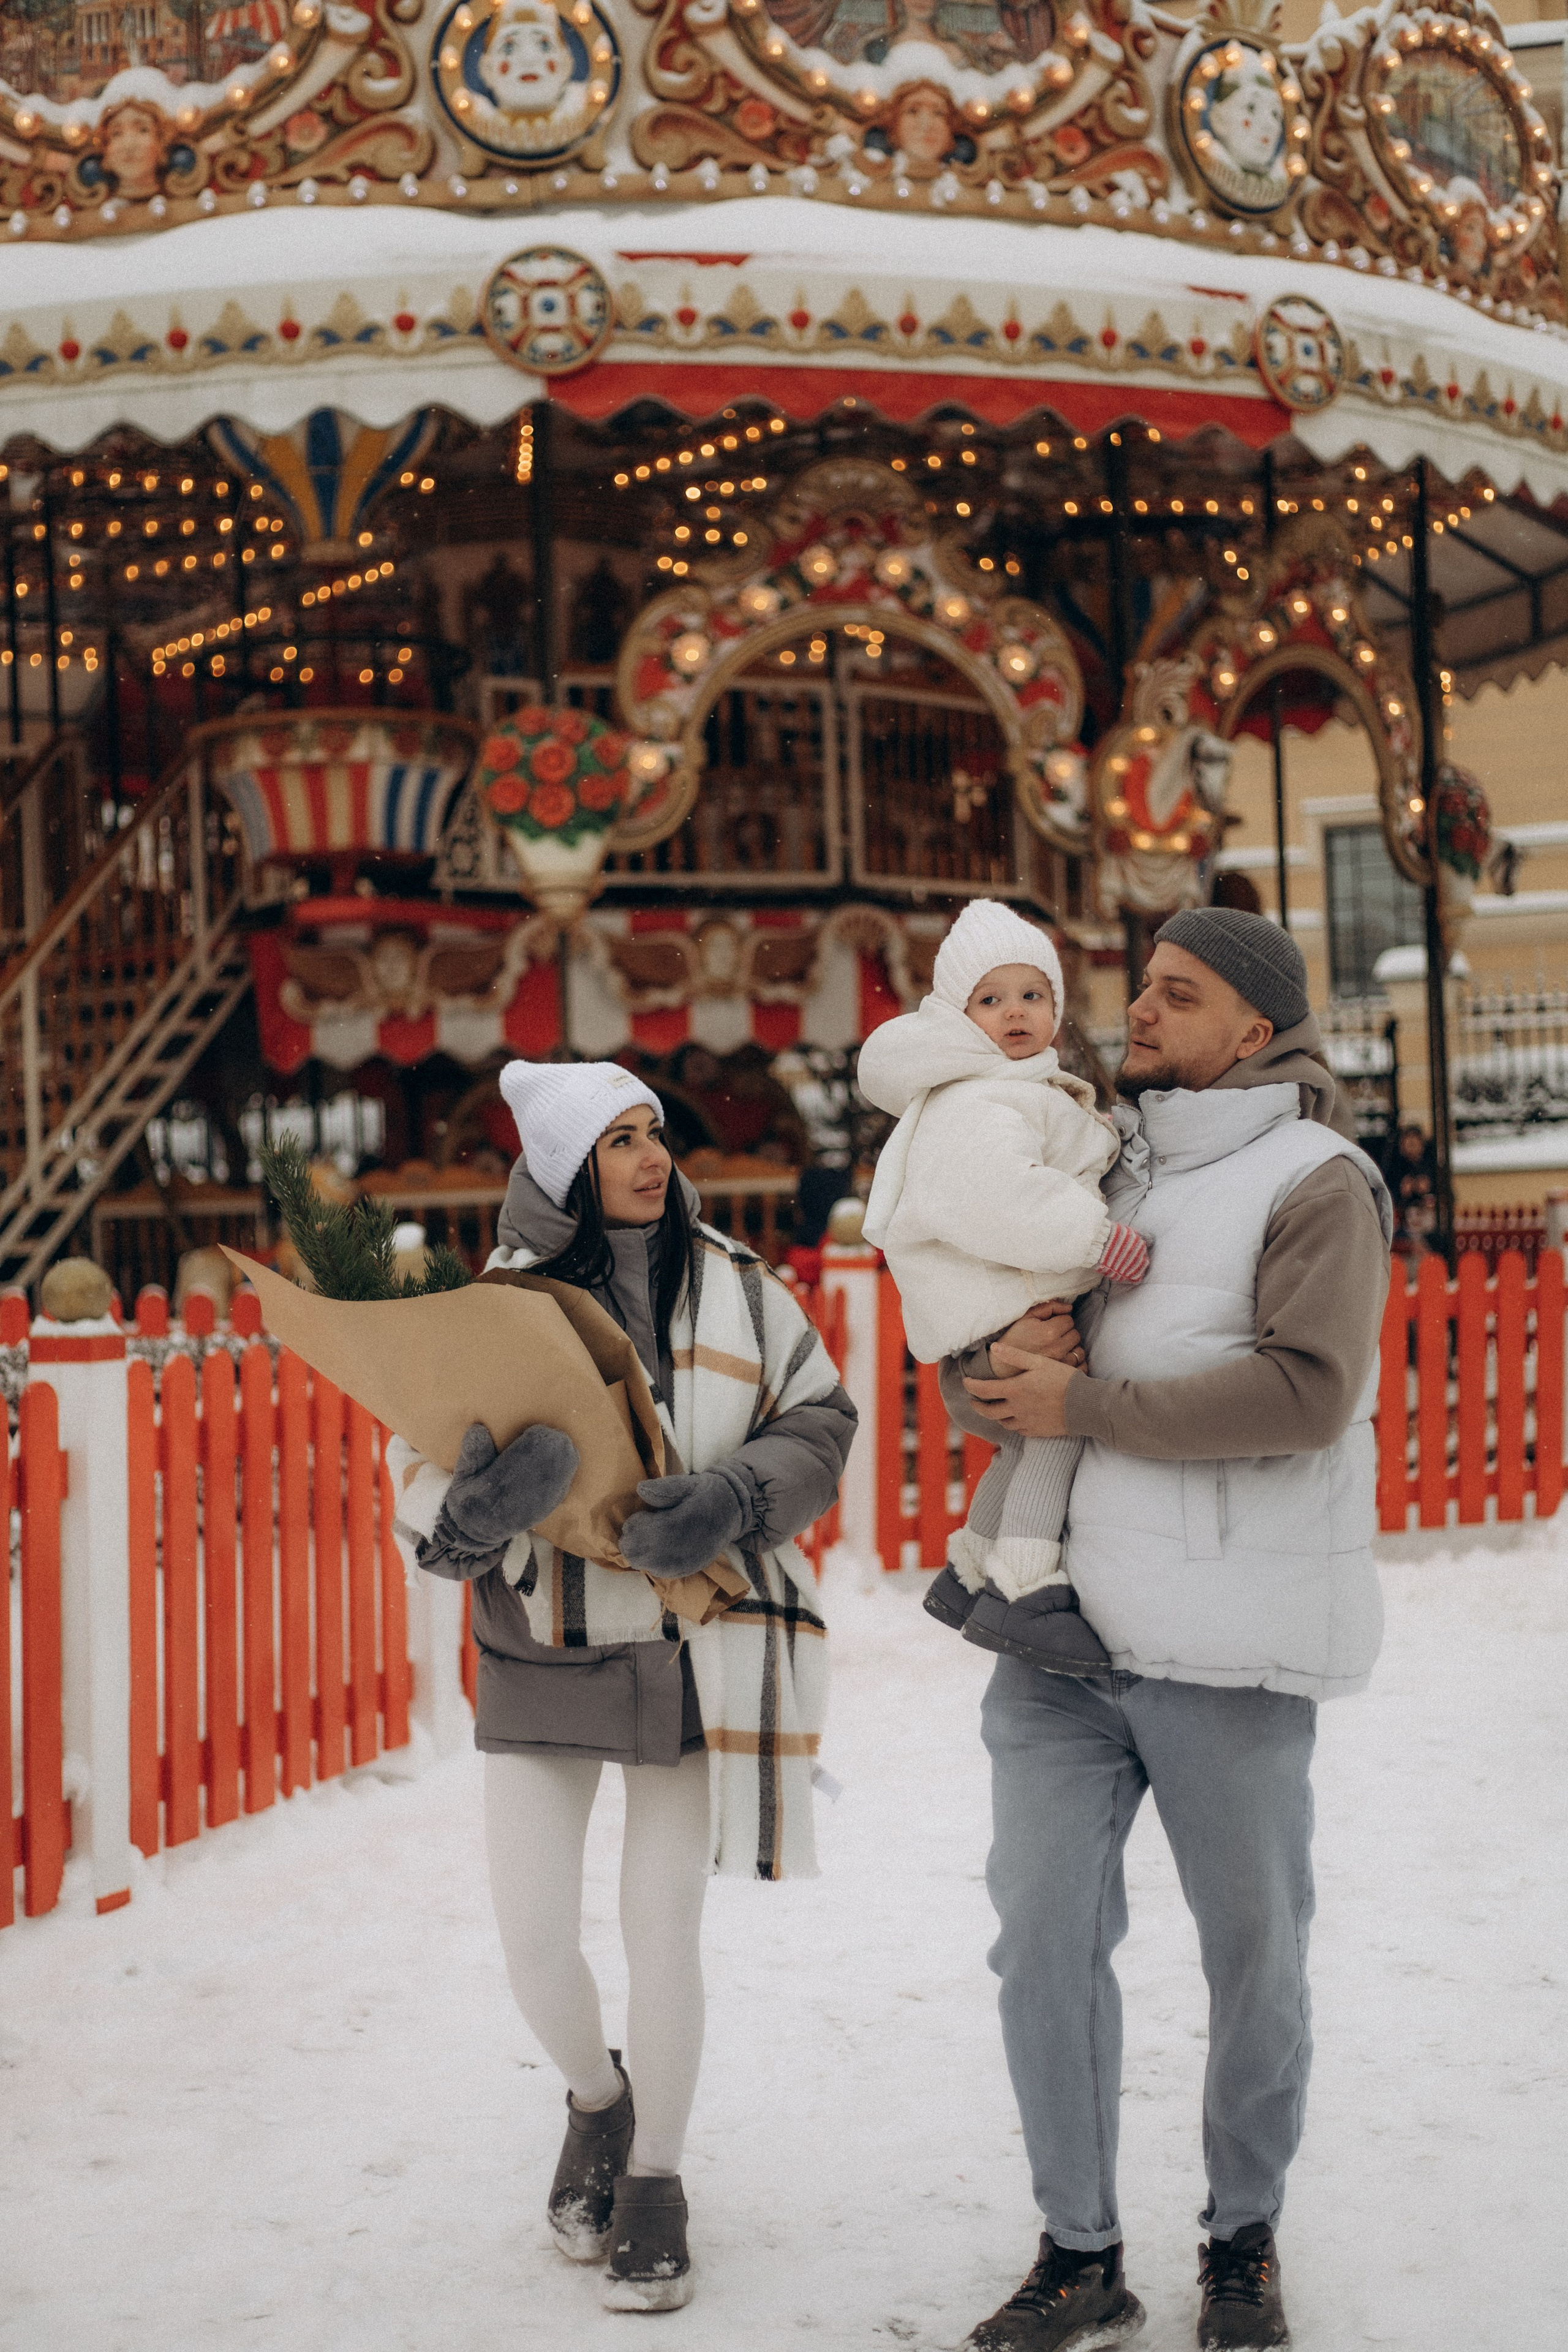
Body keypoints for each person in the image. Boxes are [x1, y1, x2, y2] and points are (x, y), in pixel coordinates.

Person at [940, 907, 1392, 2352]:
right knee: (1039, 1941)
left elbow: (1304, 1393)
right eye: (1141, 983)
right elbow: (989, 1348)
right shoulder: (1087, 1154)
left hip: (1224, 1645)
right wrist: (995, 1366)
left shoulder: (1317, 1181)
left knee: (1252, 1952)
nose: (1137, 1007)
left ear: (1253, 1029)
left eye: (1175, 993)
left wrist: (1081, 1403)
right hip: (1057, 1635)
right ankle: (1077, 2249)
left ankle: (1240, 2237)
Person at [388, 1060, 854, 2312]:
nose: (653, 1158)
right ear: (561, 1170)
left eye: (655, 1133)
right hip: (540, 1642)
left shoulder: (741, 1285)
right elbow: (413, 1461)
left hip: (696, 1645)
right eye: (620, 1141)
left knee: (661, 1929)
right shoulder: (492, 1305)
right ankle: (599, 2101)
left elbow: (820, 1419)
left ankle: (655, 2178)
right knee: (534, 1941)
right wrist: (469, 1514)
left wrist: (733, 1498)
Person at [857, 900, 1151, 1675]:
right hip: (1013, 1298)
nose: (1015, 1012)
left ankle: (970, 1569)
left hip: (1013, 1297)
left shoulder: (1015, 1085)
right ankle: (1025, 1586)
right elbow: (998, 1196)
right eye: (990, 999)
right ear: (957, 1018)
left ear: (1057, 1006)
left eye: (1032, 995)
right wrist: (1097, 1240)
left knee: (1022, 1443)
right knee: (1056, 1429)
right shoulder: (980, 1097)